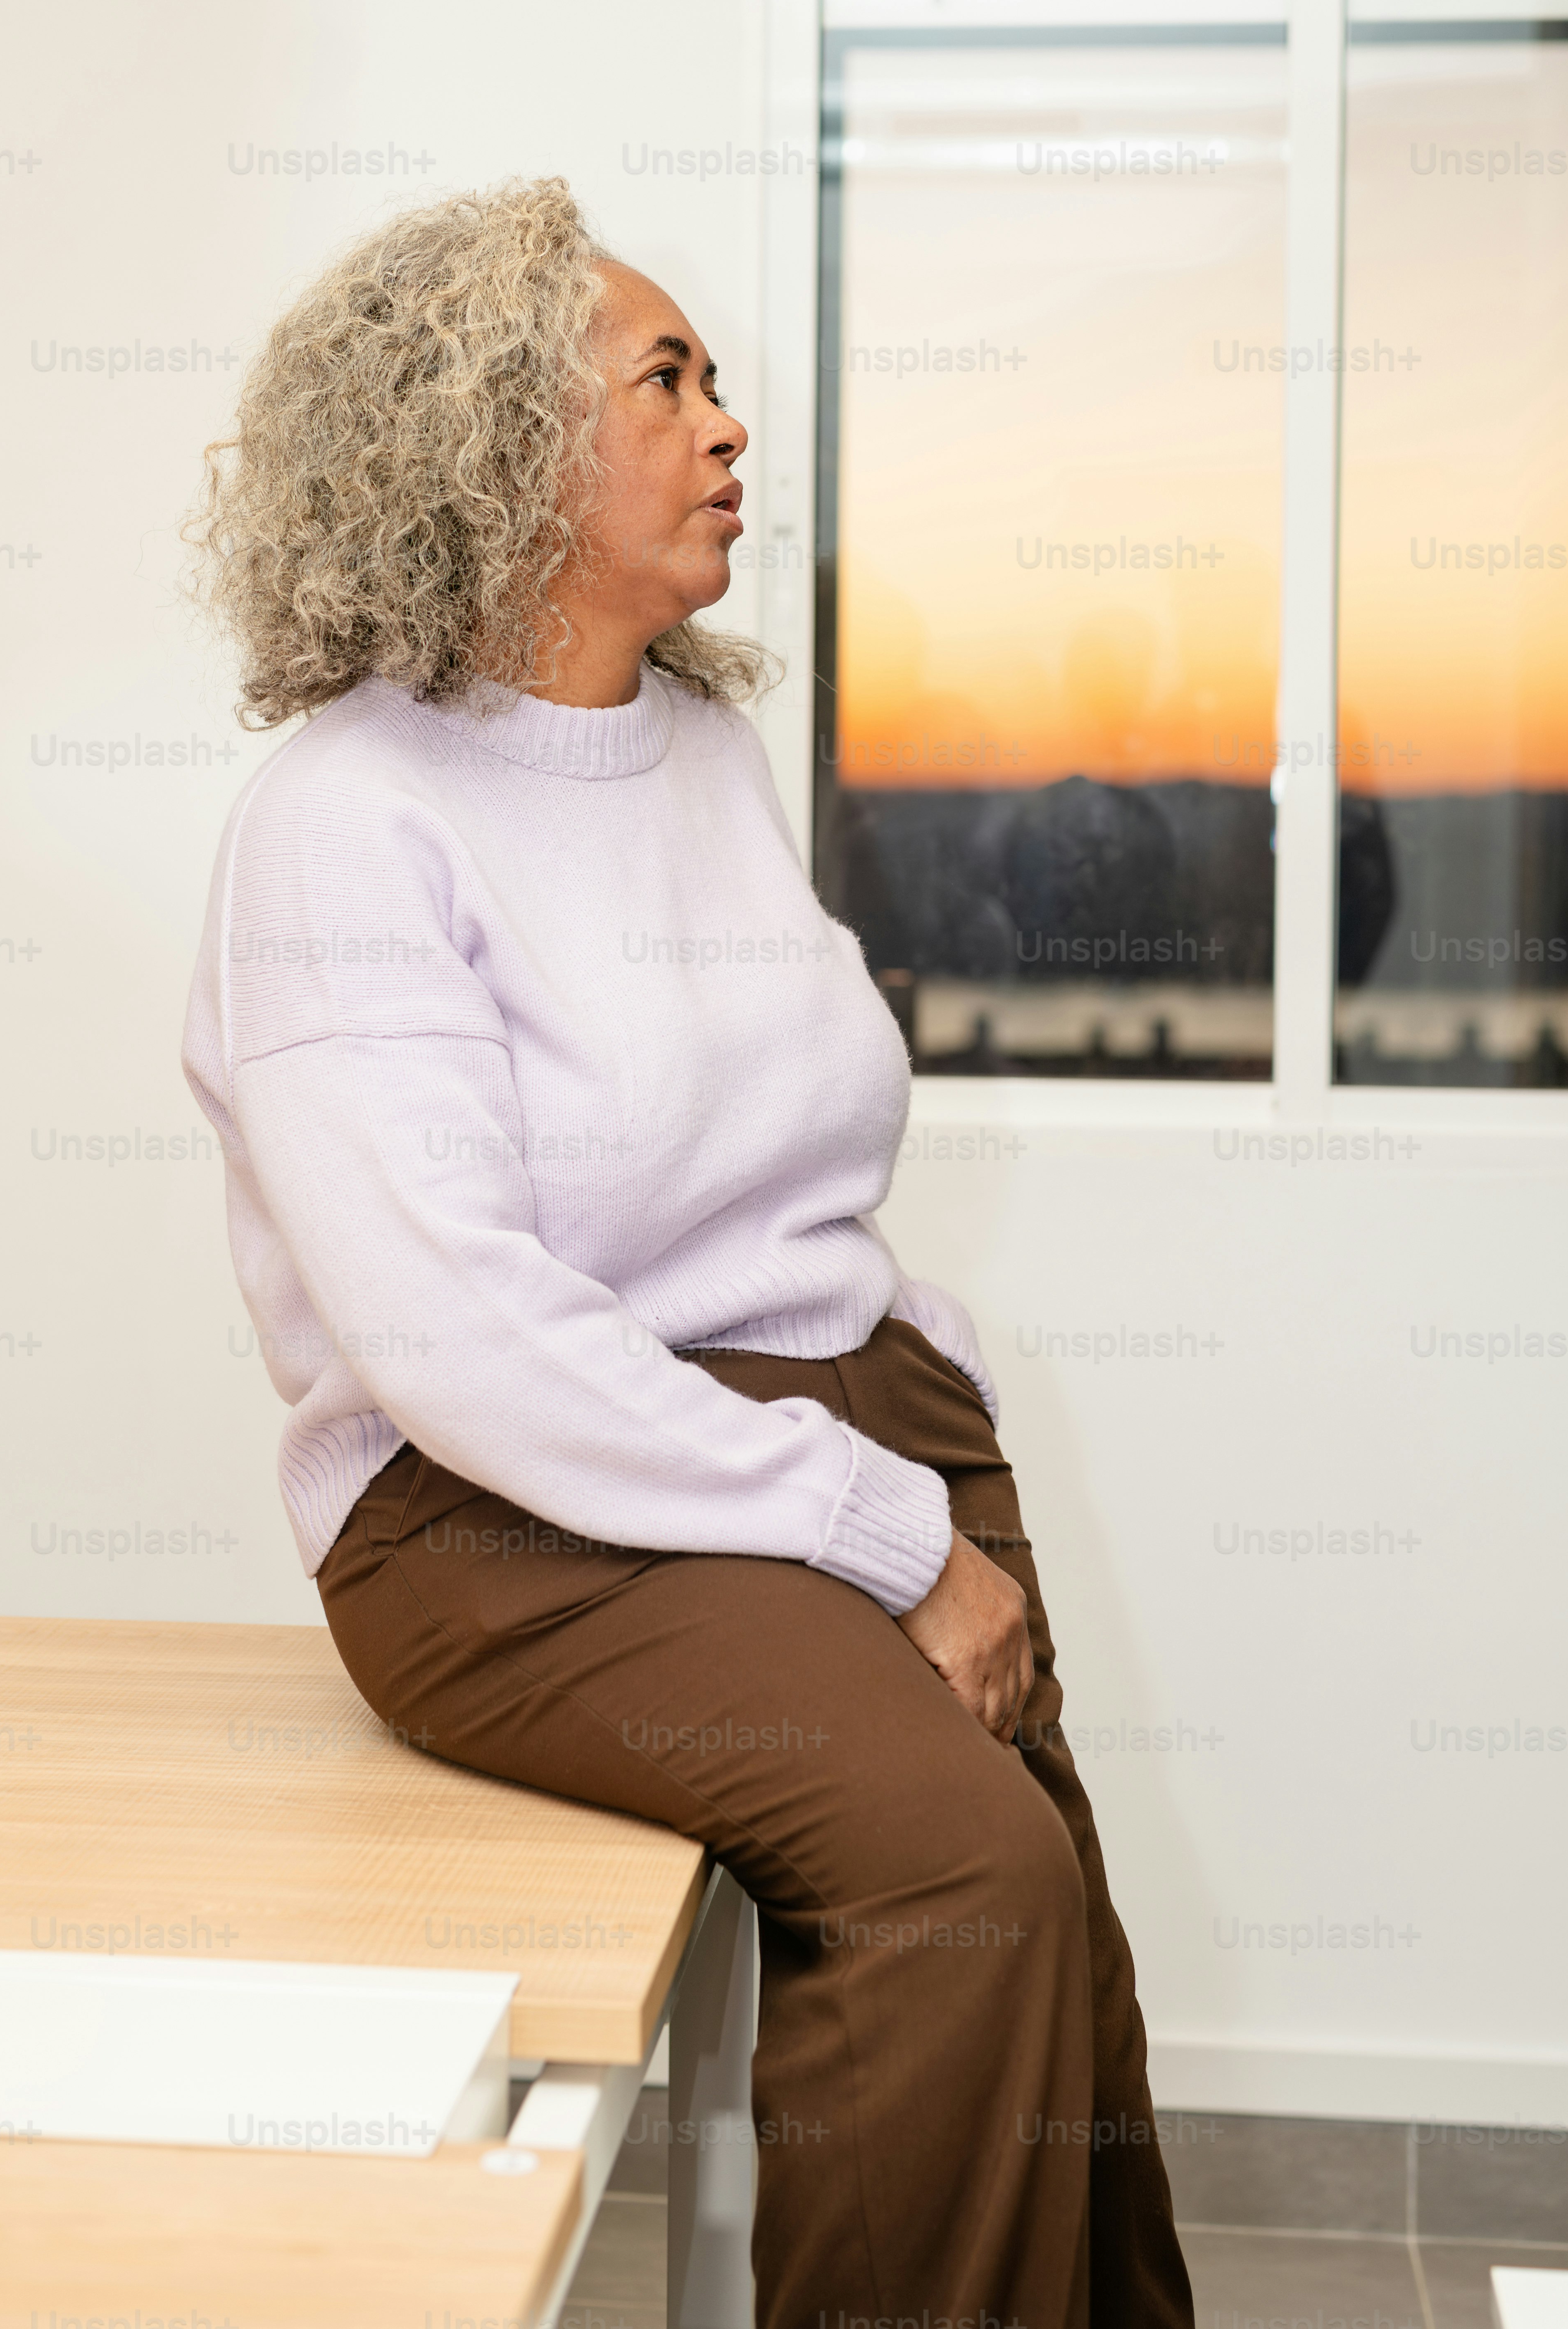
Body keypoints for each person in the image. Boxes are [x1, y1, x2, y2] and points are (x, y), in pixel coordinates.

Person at [181, 176, 1194, 2329]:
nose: (729, 425)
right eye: (667, 382)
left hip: (810, 1429)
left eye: (717, 380)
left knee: (1053, 1923)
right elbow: (457, 1332)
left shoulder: (703, 751)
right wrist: (886, 1529)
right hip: (495, 1507)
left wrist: (920, 1411)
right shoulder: (346, 824)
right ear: (498, 443)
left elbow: (772, 1155)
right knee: (969, 1882)